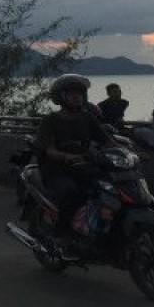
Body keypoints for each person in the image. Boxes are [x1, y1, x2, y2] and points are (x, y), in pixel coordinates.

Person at [34, 74, 113, 245]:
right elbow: (49, 150)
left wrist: (132, 151)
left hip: (81, 166)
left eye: (79, 93)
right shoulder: (50, 121)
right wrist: (66, 156)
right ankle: (62, 233)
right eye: (71, 93)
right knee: (71, 193)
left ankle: (98, 228)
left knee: (107, 187)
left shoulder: (87, 118)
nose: (77, 96)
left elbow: (106, 140)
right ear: (61, 97)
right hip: (55, 169)